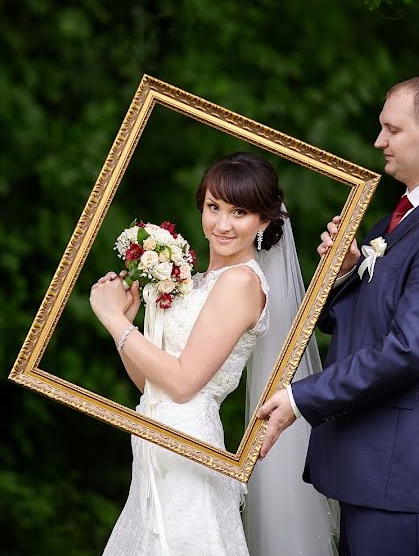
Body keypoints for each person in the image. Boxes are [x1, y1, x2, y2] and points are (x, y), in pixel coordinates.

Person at [258, 75, 419, 555]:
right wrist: (345, 271)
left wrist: (302, 398)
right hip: (378, 477)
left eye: (391, 129)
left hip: (410, 482)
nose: (379, 142)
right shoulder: (408, 217)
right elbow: (349, 324)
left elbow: (410, 350)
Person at [91, 151, 317, 556]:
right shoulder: (195, 282)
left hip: (188, 442)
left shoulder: (241, 283)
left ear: (264, 221)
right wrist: (126, 321)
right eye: (214, 207)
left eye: (240, 212)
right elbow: (149, 383)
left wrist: (114, 321)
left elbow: (182, 384)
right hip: (154, 437)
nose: (222, 224)